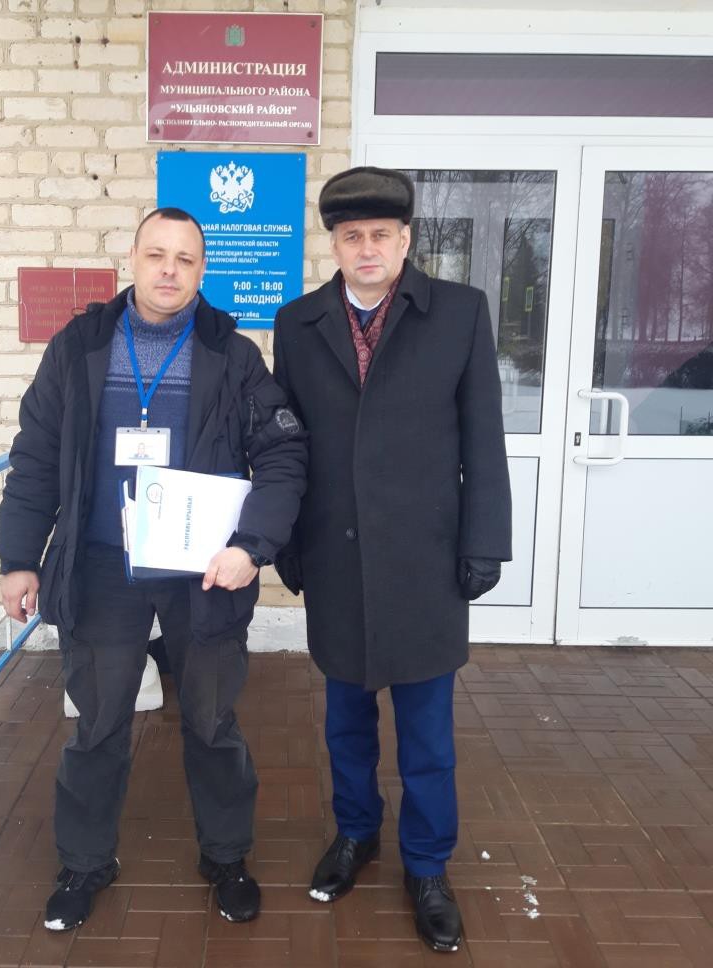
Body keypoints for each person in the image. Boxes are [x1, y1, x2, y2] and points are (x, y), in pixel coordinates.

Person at [0, 207, 307, 931]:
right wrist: (18, 559)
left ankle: (226, 857)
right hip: (103, 567)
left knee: (212, 719)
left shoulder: (232, 354)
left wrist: (251, 547)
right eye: (157, 254)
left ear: (202, 271)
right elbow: (36, 454)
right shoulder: (80, 347)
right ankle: (84, 862)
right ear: (132, 259)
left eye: (186, 259)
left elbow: (284, 455)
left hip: (203, 570)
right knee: (99, 721)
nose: (170, 270)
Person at [273, 167, 511, 953]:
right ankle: (355, 833)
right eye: (352, 236)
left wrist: (485, 541)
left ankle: (428, 866)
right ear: (334, 244)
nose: (367, 248)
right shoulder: (299, 323)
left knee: (427, 737)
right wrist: (287, 541)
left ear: (406, 240)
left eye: (381, 234)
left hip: (426, 563)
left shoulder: (459, 313)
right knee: (345, 723)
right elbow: (287, 445)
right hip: (336, 560)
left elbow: (483, 438)